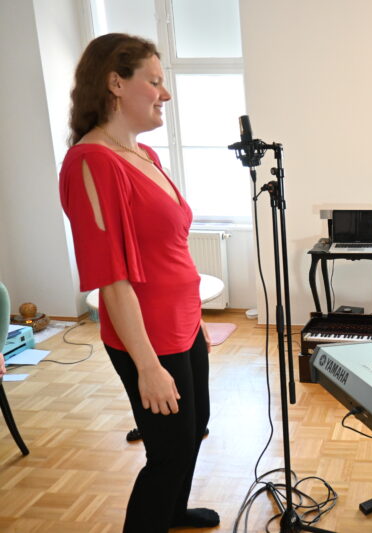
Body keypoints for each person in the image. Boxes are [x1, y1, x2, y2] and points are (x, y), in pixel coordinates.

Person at [59, 33, 219, 532]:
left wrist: (195, 325)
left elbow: (168, 251)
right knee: (168, 453)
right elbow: (112, 280)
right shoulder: (92, 162)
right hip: (146, 338)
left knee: (193, 430)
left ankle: (172, 513)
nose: (164, 95)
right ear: (115, 84)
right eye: (154, 82)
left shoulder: (142, 154)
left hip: (181, 325)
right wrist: (148, 366)